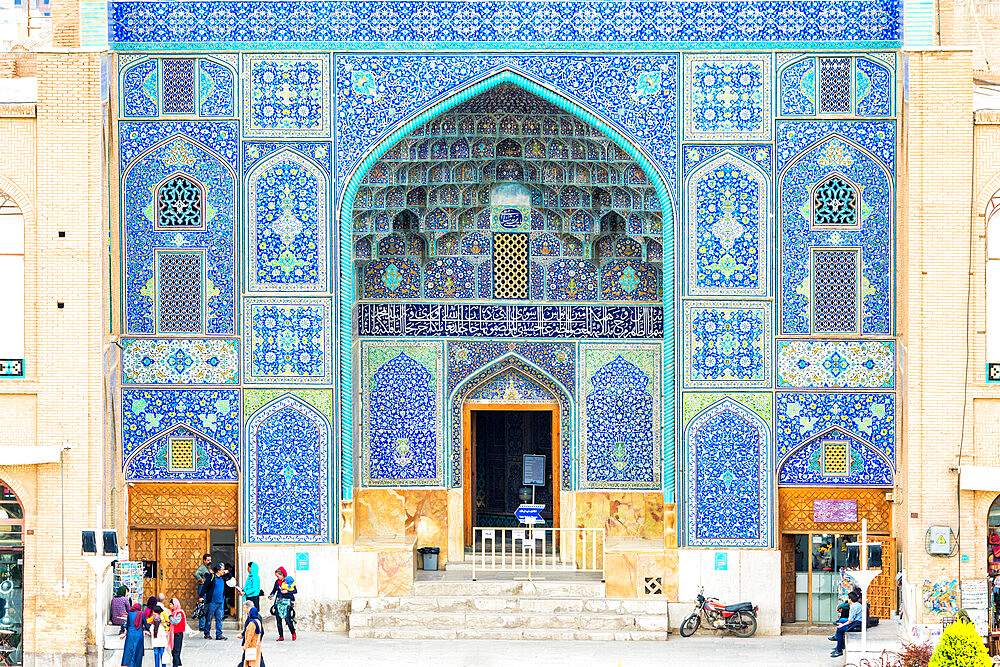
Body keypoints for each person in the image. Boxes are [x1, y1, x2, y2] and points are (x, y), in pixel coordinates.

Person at [829, 590, 863, 657]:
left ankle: (839, 650)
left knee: (839, 630)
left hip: (856, 624)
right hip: (857, 622)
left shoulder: (853, 606)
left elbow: (850, 621)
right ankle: (839, 646)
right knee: (841, 622)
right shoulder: (858, 604)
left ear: (850, 599)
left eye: (848, 598)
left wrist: (842, 625)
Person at [268, 567, 297, 641]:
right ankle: (281, 636)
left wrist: (287, 591)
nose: (277, 578)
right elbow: (274, 591)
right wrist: (271, 595)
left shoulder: (289, 580)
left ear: (282, 575)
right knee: (278, 620)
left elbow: (295, 591)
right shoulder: (277, 582)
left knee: (287, 618)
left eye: (278, 576)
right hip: (279, 602)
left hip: (287, 602)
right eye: (276, 576)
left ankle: (293, 632)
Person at [200, 563, 228, 640]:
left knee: (219, 619)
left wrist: (227, 572)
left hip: (220, 602)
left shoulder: (223, 578)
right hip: (212, 602)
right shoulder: (211, 577)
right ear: (218, 570)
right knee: (209, 618)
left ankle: (219, 634)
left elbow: (231, 578)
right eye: (222, 569)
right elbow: (205, 587)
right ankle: (207, 633)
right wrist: (201, 596)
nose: (223, 571)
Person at [118, 602, 145, 667]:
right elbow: (146, 625)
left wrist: (124, 633)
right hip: (138, 634)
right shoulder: (141, 614)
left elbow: (127, 625)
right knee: (137, 651)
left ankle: (128, 665)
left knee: (128, 651)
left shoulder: (129, 613)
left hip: (130, 634)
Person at [241, 601, 265, 667]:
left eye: (245, 607)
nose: (244, 609)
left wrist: (245, 645)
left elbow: (250, 635)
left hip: (253, 644)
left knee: (251, 660)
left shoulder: (253, 621)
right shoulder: (253, 618)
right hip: (254, 644)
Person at [193, 553, 212, 633]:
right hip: (202, 588)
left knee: (205, 606)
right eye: (208, 560)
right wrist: (201, 580)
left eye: (210, 560)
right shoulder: (202, 567)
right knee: (202, 606)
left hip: (206, 588)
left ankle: (204, 625)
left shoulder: (207, 567)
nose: (209, 561)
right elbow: (196, 574)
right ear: (204, 560)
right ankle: (201, 626)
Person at [149, 601, 170, 667]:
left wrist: (167, 628)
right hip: (162, 643)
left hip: (155, 643)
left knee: (156, 656)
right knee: (162, 656)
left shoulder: (153, 625)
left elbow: (168, 622)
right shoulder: (159, 624)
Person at [168, 598, 186, 667]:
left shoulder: (179, 613)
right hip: (174, 633)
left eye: (171, 604)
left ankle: (175, 665)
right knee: (174, 649)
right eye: (170, 605)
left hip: (178, 633)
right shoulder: (174, 612)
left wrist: (169, 616)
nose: (170, 606)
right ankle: (178, 662)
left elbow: (175, 622)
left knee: (176, 650)